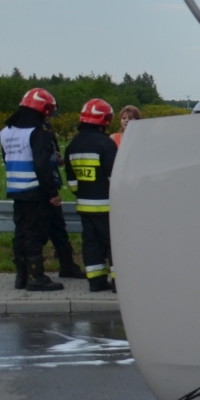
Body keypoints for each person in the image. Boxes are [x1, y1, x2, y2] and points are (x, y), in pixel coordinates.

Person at [0, 88, 64, 292]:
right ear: (43, 110)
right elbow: (42, 166)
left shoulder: (6, 132)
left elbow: (6, 159)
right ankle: (37, 277)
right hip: (36, 192)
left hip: (16, 190)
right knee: (35, 235)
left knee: (20, 234)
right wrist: (52, 193)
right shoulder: (38, 133)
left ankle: (22, 277)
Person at [65, 98, 118, 292]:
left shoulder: (72, 145)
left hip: (84, 206)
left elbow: (72, 182)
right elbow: (115, 177)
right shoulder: (106, 144)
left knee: (91, 244)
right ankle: (118, 284)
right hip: (107, 206)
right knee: (114, 243)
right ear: (104, 120)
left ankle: (96, 282)